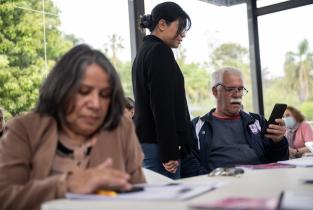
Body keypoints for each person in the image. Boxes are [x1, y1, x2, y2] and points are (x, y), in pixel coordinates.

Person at [0, 44, 145, 210]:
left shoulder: (121, 128)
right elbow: (4, 197)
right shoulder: (24, 129)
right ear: (61, 89)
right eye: (84, 91)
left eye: (104, 95)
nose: (95, 104)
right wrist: (67, 184)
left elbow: (140, 193)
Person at [181, 67, 289, 177]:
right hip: (218, 186)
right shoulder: (197, 127)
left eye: (240, 89)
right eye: (230, 89)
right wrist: (213, 182)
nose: (237, 94)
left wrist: (279, 142)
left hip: (258, 181)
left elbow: (278, 161)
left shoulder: (257, 122)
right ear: (215, 91)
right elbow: (189, 167)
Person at [132, 1, 193, 179]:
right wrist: (170, 152)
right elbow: (162, 105)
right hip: (160, 149)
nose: (182, 34)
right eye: (179, 27)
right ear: (162, 24)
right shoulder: (160, 51)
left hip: (149, 144)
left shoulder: (144, 51)